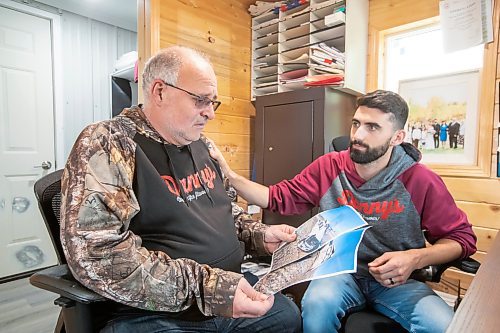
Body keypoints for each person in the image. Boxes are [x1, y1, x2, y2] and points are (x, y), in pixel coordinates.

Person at [59, 46, 301, 333]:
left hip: (226, 293)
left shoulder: (202, 145)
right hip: (157, 311)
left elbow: (225, 212)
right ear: (160, 92)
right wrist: (210, 289)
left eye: (213, 102)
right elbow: (99, 255)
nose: (210, 113)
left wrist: (259, 235)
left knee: (287, 316)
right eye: (200, 100)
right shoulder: (110, 143)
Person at [208, 90, 477, 333]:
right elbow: (275, 197)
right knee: (315, 309)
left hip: (398, 283)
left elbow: (462, 240)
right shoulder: (329, 166)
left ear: (397, 137)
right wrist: (228, 174)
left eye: (373, 127)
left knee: (447, 326)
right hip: (338, 275)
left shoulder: (420, 180)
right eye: (356, 124)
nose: (358, 135)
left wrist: (415, 259)